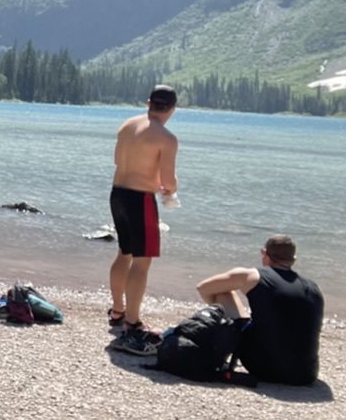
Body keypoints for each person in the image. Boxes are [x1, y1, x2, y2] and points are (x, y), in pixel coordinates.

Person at [107, 84, 180, 354]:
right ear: (172, 109)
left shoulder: (127, 125)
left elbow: (118, 160)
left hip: (117, 193)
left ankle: (118, 311)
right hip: (140, 200)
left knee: (124, 252)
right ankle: (132, 323)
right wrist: (171, 190)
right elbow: (168, 180)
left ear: (148, 103)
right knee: (142, 261)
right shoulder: (166, 137)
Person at [196, 234, 324, 385]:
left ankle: (224, 345)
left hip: (264, 368)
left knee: (222, 292)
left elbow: (203, 288)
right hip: (306, 374)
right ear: (293, 260)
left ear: (265, 254)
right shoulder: (314, 288)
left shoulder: (252, 276)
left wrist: (223, 320)